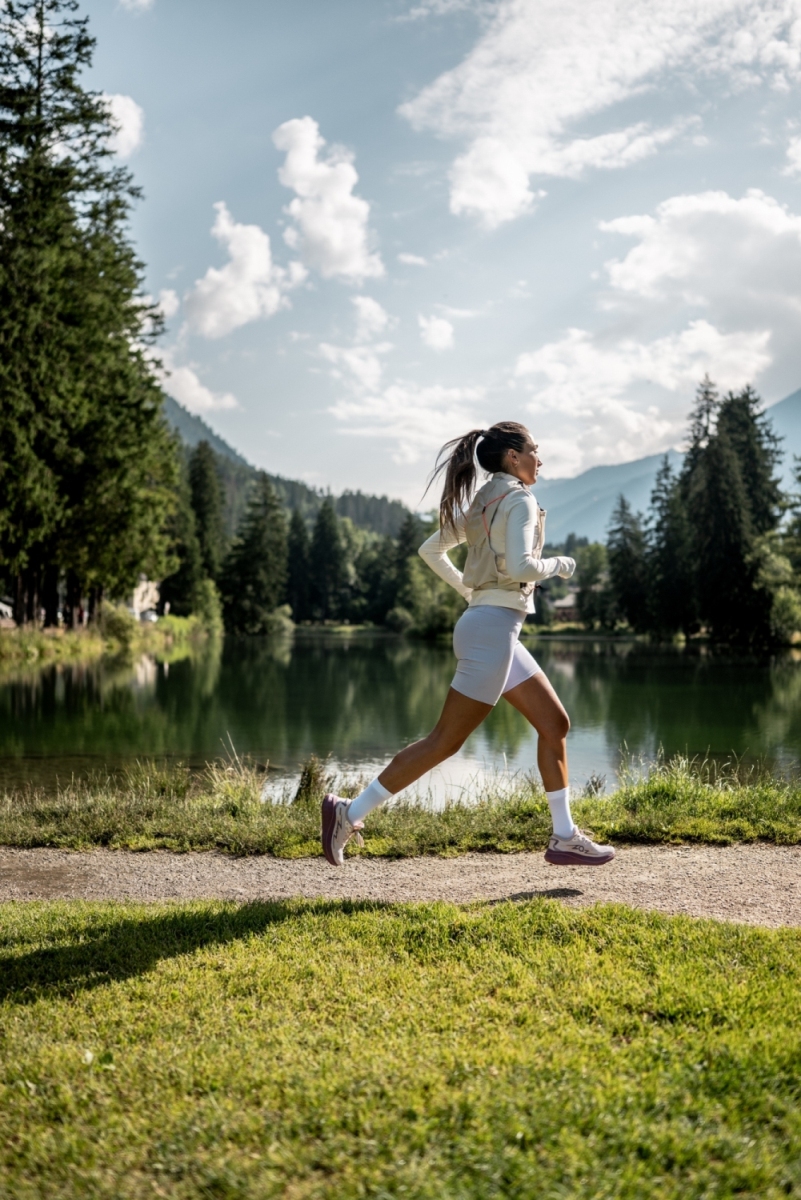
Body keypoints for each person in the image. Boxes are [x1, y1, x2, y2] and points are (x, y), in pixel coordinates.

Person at [321, 421, 615, 869]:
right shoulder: (517, 500)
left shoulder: (484, 501)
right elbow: (521, 564)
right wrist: (560, 565)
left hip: (490, 625)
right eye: (534, 450)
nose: (540, 458)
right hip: (492, 630)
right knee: (444, 741)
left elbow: (430, 549)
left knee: (554, 723)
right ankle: (349, 812)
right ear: (512, 457)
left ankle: (563, 837)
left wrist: (468, 592)